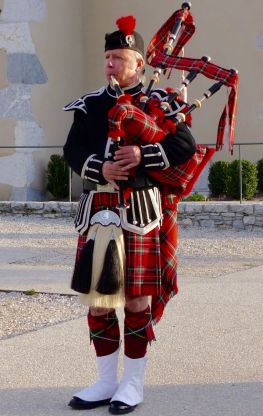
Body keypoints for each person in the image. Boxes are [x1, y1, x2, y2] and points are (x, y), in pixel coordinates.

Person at [63, 15, 196, 415]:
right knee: (100, 301)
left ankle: (132, 384)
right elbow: (71, 151)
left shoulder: (161, 103)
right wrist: (100, 168)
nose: (110, 65)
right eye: (107, 57)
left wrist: (141, 155)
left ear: (139, 63)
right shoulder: (90, 105)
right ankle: (105, 381)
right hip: (99, 209)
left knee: (137, 299)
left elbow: (185, 146)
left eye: (119, 58)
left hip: (139, 210)